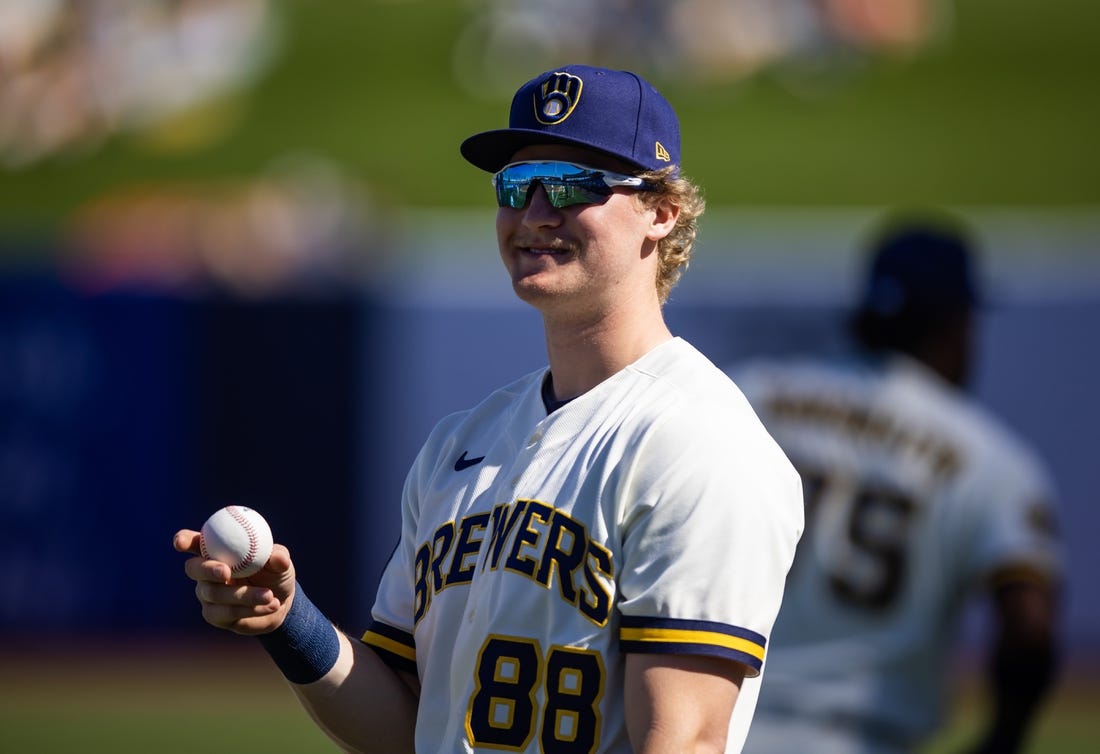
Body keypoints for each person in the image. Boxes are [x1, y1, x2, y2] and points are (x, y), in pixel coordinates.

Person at [174, 64, 804, 754]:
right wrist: (287, 620)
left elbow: (683, 743)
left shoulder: (697, 443)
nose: (534, 215)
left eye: (568, 186)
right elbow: (413, 726)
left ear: (660, 211)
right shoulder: (460, 444)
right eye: (514, 187)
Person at [731, 212, 1064, 754]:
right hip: (867, 737)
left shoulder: (750, 395)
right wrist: (1005, 738)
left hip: (715, 722)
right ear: (956, 325)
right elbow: (1030, 626)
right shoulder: (990, 460)